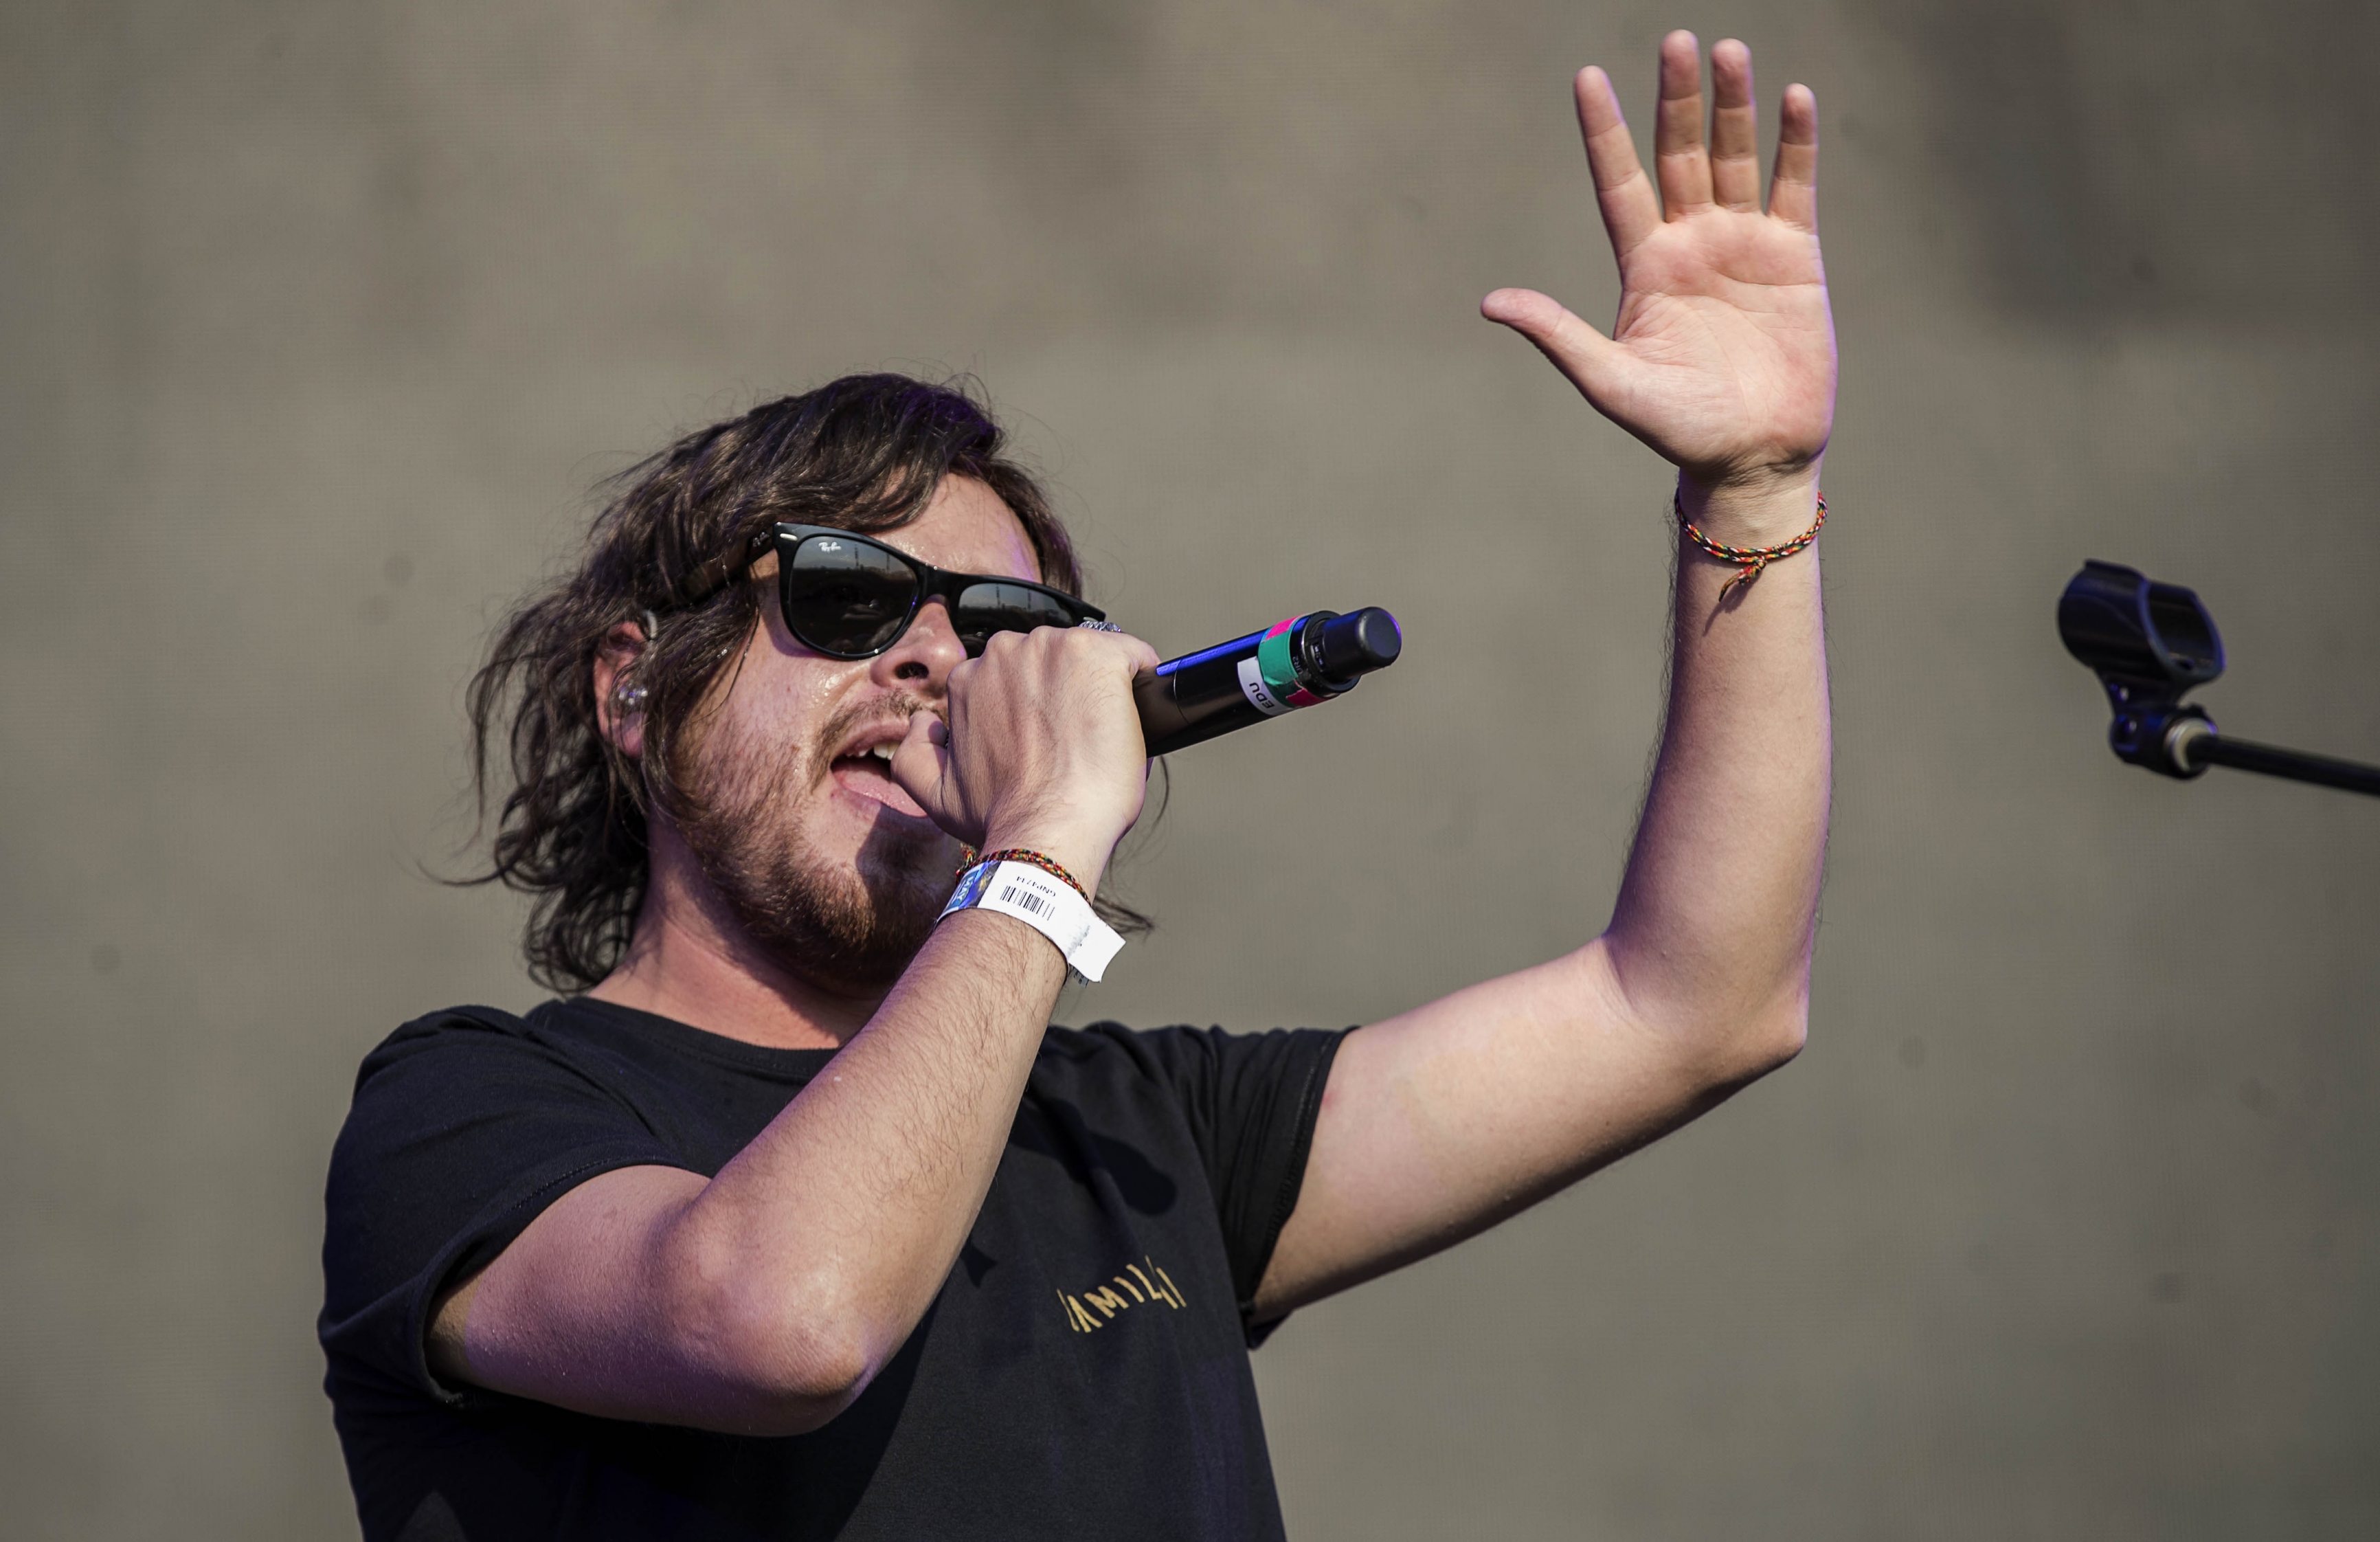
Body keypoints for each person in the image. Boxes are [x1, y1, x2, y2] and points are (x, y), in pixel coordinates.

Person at [320, 30, 1834, 1541]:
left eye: (1002, 630)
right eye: (847, 595)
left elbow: (1698, 1005)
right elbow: (785, 1322)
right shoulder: (472, 1110)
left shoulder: (1136, 1130)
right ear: (634, 689)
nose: (934, 660)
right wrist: (1043, 847)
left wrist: (1754, 491)